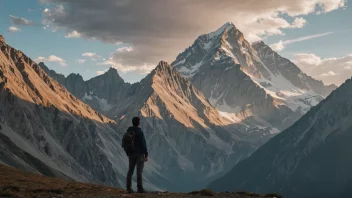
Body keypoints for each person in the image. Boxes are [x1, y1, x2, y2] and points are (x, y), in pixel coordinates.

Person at [125, 117, 148, 193]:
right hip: (139, 154)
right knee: (139, 172)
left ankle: (128, 188)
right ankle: (140, 188)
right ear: (138, 123)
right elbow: (143, 144)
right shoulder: (140, 131)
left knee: (130, 171)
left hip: (131, 154)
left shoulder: (129, 130)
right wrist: (146, 154)